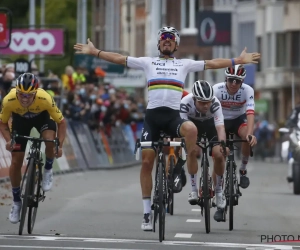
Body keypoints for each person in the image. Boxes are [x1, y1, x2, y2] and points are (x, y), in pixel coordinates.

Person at [74, 26, 260, 231]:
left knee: (191, 130)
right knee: (146, 161)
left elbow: (213, 63)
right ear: (159, 43)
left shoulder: (184, 64)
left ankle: (187, 171)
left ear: (177, 45)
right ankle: (147, 212)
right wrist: (95, 52)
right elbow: (119, 59)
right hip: (152, 117)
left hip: (173, 117)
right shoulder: (148, 62)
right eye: (164, 38)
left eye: (171, 39)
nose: (167, 41)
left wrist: (238, 61)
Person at [0, 73, 67, 224]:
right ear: (16, 91)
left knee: (49, 140)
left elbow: (62, 123)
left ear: (35, 92)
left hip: (42, 117)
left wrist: (60, 145)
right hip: (20, 121)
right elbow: (2, 123)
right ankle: (17, 201)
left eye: (28, 95)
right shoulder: (9, 100)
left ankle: (48, 169)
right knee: (16, 161)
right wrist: (9, 140)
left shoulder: (45, 98)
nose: (24, 99)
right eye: (21, 94)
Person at [180, 80, 229, 221]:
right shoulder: (185, 103)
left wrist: (223, 144)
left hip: (210, 127)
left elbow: (220, 127)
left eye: (208, 101)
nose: (206, 105)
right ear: (194, 98)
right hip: (192, 126)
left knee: (219, 155)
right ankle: (194, 190)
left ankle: (219, 193)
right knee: (191, 151)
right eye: (202, 102)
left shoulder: (215, 103)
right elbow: (182, 129)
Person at [212, 65, 257, 190]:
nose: (233, 83)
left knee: (246, 137)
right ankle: (217, 192)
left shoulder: (248, 90)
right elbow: (210, 112)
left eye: (237, 81)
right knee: (219, 155)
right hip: (221, 120)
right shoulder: (216, 89)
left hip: (238, 119)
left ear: (242, 81)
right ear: (226, 79)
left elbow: (250, 113)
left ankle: (243, 170)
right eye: (231, 79)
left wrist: (250, 134)